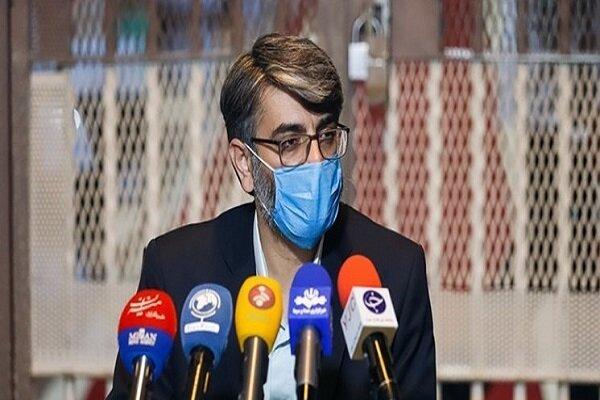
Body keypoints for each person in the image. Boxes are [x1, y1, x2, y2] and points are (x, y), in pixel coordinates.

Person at [107, 32, 435, 399]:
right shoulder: (177, 273)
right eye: (290, 143)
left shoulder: (394, 274)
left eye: (326, 136)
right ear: (244, 164)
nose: (317, 161)